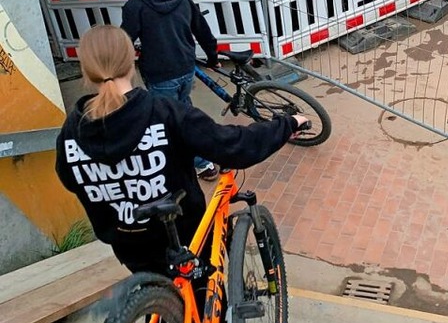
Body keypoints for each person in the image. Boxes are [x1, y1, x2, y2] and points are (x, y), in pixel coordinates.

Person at [55, 24, 306, 276]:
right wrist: (286, 125)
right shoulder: (165, 112)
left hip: (125, 242)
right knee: (202, 302)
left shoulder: (71, 131)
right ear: (132, 57)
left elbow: (69, 178)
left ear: (86, 71)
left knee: (159, 302)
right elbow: (232, 145)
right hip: (183, 236)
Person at [121, 0, 220, 182]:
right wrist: (213, 57)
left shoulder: (136, 6)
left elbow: (124, 39)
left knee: (169, 120)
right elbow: (202, 30)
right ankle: (201, 152)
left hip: (159, 72)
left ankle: (201, 163)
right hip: (186, 67)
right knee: (183, 109)